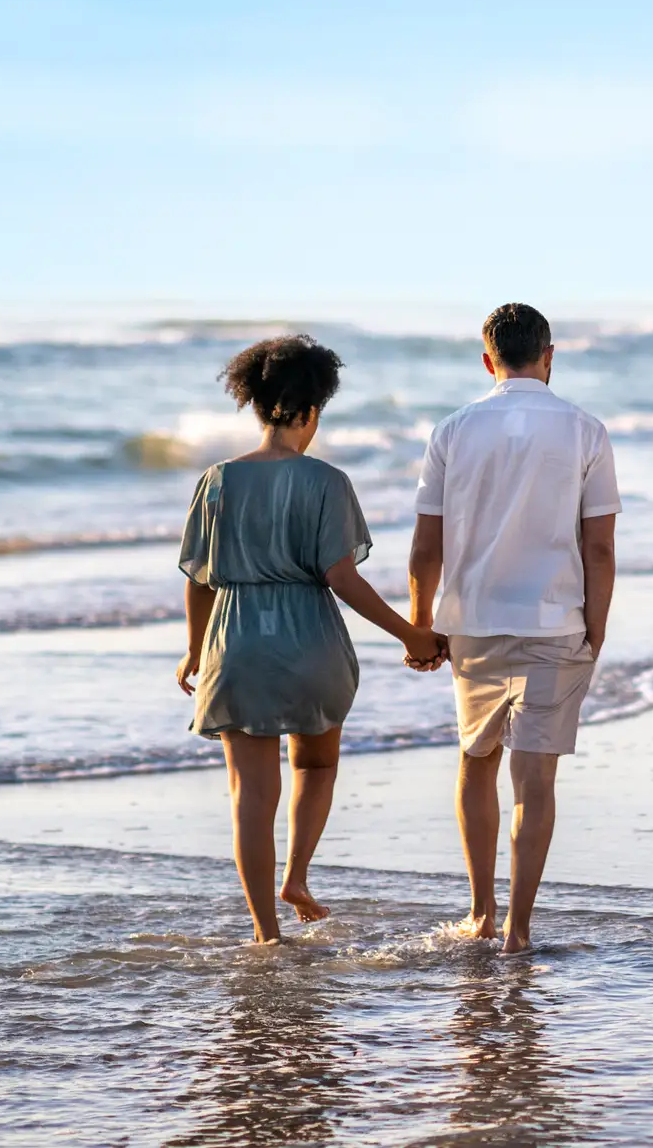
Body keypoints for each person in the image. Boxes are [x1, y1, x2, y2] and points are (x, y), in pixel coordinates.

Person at [176, 334, 445, 943]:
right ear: (313, 410)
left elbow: (198, 580)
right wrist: (412, 633)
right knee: (316, 763)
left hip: (235, 641)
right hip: (310, 642)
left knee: (250, 793)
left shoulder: (216, 480)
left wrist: (195, 650)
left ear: (255, 404)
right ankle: (296, 876)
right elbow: (340, 577)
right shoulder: (327, 481)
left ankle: (266, 933)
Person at [407, 302, 620, 954]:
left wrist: (421, 622)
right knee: (536, 782)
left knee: (476, 762)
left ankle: (478, 910)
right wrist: (597, 628)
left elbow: (426, 545)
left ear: (487, 359)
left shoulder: (452, 430)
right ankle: (517, 931)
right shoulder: (586, 429)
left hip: (472, 622)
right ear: (549, 355)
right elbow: (600, 547)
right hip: (556, 622)